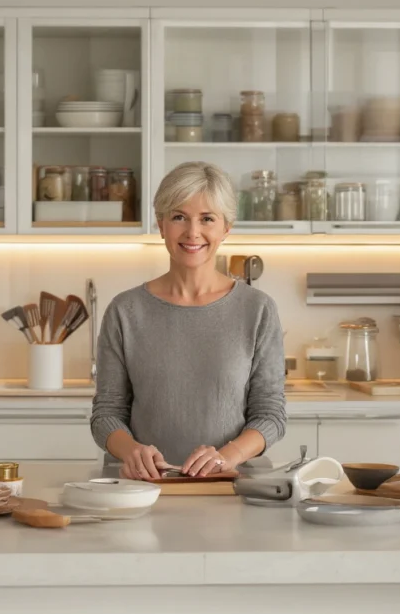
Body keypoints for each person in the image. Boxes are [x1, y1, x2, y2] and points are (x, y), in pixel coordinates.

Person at [90, 161, 287, 480]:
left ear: (226, 227)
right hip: (144, 486)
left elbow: (270, 415)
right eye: (179, 217)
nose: (192, 232)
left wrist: (226, 457)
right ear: (161, 224)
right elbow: (106, 415)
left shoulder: (258, 310)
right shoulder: (124, 311)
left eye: (207, 219)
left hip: (229, 486)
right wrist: (132, 452)